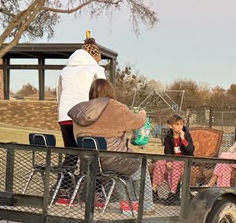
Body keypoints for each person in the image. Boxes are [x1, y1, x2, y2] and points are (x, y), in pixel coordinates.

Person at [68, 78, 153, 210]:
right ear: (110, 91)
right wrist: (142, 114)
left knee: (121, 170)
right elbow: (137, 122)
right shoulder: (116, 107)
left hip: (89, 162)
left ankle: (128, 205)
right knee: (139, 166)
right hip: (114, 159)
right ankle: (146, 207)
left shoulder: (81, 110)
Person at [56, 33, 104, 150]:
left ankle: (68, 168)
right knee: (88, 153)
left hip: (65, 115)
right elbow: (103, 95)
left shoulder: (65, 70)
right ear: (94, 55)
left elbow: (59, 94)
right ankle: (85, 169)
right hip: (86, 116)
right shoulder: (96, 70)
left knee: (71, 153)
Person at [152, 114, 194, 202]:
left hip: (184, 161)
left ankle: (172, 193)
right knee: (159, 162)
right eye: (177, 124)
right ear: (170, 126)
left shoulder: (186, 135)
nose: (180, 127)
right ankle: (154, 190)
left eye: (181, 124)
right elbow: (167, 151)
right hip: (172, 159)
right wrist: (168, 161)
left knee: (176, 164)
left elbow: (190, 151)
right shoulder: (168, 137)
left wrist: (183, 139)